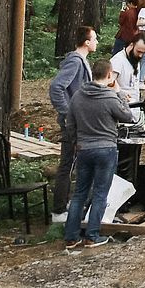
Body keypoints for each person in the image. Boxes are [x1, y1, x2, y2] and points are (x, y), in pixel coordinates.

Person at [65, 37, 137, 251]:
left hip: (84, 148)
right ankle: (92, 235)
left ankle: (71, 236)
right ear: (109, 75)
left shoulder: (78, 96)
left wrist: (76, 141)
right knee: (100, 193)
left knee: (79, 193)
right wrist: (119, 93)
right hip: (105, 148)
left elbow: (70, 123)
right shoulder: (109, 96)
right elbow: (128, 117)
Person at [49, 26, 99, 216]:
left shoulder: (82, 61)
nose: (96, 42)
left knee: (73, 162)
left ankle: (69, 203)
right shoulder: (75, 62)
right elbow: (57, 87)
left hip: (79, 120)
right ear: (86, 42)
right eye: (94, 39)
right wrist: (69, 112)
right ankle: (59, 210)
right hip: (72, 122)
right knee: (68, 164)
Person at [110, 32, 145, 102]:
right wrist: (120, 93)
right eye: (138, 51)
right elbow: (108, 83)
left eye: (143, 53)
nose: (140, 55)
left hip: (134, 104)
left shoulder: (134, 58)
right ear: (131, 45)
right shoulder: (118, 60)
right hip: (121, 105)